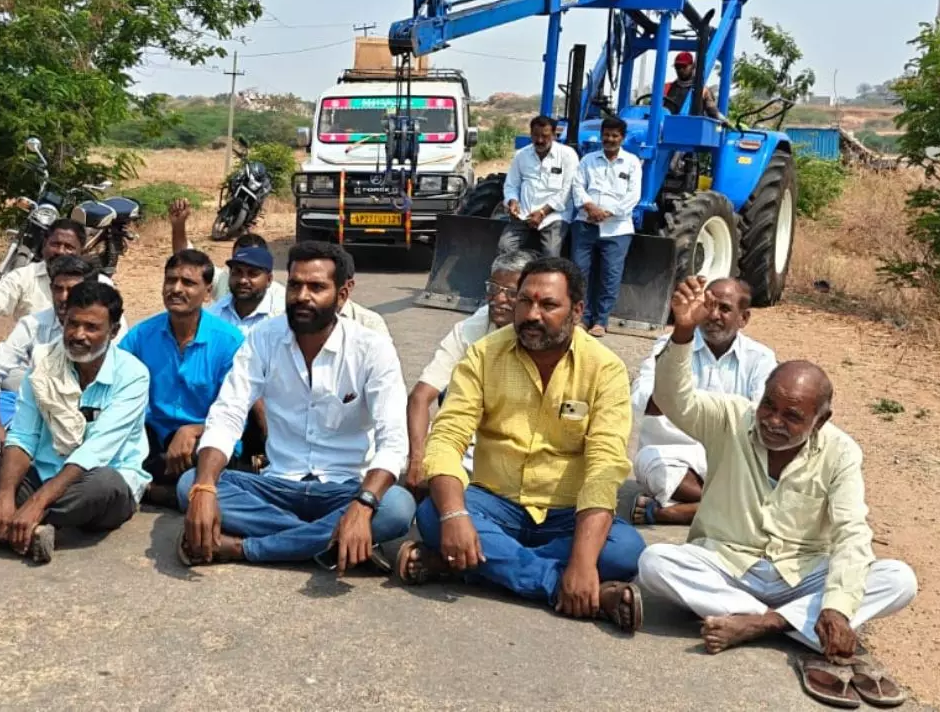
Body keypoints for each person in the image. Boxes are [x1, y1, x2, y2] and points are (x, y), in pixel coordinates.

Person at [635, 277, 916, 708]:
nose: (773, 421)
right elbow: (673, 399)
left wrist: (837, 605)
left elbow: (851, 532)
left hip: (802, 573)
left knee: (898, 579)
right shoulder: (732, 418)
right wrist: (684, 332)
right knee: (655, 562)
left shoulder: (841, 452)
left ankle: (759, 625)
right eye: (769, 405)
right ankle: (802, 627)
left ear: (820, 421)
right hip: (729, 563)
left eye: (792, 416)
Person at [399, 257, 645, 633]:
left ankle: (463, 566)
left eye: (548, 305)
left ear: (576, 311)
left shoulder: (605, 369)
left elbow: (605, 466)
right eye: (524, 301)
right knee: (435, 516)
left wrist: (583, 560)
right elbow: (447, 437)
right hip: (494, 503)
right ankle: (565, 588)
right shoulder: (484, 355)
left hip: (566, 513)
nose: (532, 315)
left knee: (625, 550)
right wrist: (455, 516)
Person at [177, 242, 415, 572]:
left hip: (346, 488)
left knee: (397, 507)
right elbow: (228, 413)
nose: (302, 296)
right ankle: (336, 541)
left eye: (316, 287)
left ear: (343, 293)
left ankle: (245, 547)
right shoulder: (264, 338)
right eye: (295, 285)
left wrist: (362, 506)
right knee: (189, 483)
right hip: (278, 484)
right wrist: (204, 487)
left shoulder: (372, 349)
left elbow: (394, 441)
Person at [0, 281, 149, 563]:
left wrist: (36, 502)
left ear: (113, 331)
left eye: (91, 327)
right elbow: (23, 435)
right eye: (73, 324)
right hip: (42, 476)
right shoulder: (45, 361)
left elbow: (95, 452)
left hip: (94, 483)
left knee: (105, 483)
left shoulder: (132, 375)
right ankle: (21, 528)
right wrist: (5, 495)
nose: (78, 335)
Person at [628, 278, 776, 528]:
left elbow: (761, 416)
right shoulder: (671, 343)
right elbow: (642, 399)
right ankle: (736, 509)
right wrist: (681, 338)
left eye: (725, 309)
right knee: (649, 463)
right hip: (673, 454)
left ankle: (681, 512)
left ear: (743, 318)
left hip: (731, 457)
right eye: (708, 306)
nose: (713, 315)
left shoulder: (760, 358)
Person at [119, 250, 245, 508]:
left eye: (188, 282)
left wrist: (194, 430)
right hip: (154, 438)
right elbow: (114, 383)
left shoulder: (229, 342)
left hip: (205, 438)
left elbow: (239, 410)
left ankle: (152, 490)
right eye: (170, 280)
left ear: (207, 292)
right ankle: (165, 491)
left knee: (207, 463)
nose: (176, 289)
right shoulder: (141, 336)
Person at [403, 250, 536, 491]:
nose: (498, 299)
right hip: (467, 441)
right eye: (493, 288)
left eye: (511, 293)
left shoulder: (542, 333)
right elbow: (420, 396)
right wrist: (417, 460)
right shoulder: (471, 328)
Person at [0, 254, 111, 427]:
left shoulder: (108, 326)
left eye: (72, 290)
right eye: (58, 289)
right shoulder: (32, 325)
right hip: (36, 411)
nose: (63, 297)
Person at [570, 117, 642, 336]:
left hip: (617, 229)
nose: (610, 139)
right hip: (585, 224)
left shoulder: (632, 163)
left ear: (622, 138)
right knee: (580, 272)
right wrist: (590, 207)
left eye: (614, 135)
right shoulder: (588, 160)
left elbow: (633, 195)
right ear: (601, 135)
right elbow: (577, 187)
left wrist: (608, 213)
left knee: (610, 275)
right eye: (606, 135)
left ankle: (601, 321)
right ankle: (582, 318)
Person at [0, 220, 100, 323]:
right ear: (44, 244)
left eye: (69, 247)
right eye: (55, 244)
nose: (60, 251)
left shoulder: (98, 284)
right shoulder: (24, 276)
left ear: (81, 251)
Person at [499, 116, 578, 258]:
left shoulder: (567, 155)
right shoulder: (521, 155)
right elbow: (511, 185)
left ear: (554, 135)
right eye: (536, 135)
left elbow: (567, 191)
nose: (540, 140)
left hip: (554, 216)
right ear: (530, 134)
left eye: (545, 136)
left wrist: (542, 212)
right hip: (524, 214)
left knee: (551, 253)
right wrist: (512, 201)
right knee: (505, 247)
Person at [206, 241, 286, 332]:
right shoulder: (214, 316)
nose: (243, 280)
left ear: (269, 279)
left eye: (252, 273)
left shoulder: (282, 317)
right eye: (237, 272)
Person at [662, 51, 720, 118]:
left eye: (684, 66)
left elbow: (713, 112)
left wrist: (723, 119)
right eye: (678, 67)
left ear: (692, 66)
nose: (681, 70)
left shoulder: (703, 90)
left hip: (693, 124)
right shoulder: (667, 87)